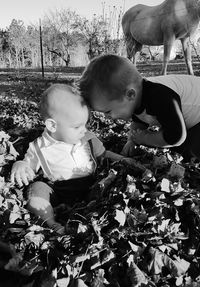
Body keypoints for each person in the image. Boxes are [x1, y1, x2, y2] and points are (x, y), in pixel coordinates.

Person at [11, 84, 129, 235]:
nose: (84, 130)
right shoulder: (40, 147)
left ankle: (96, 217)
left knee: (112, 184)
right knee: (37, 188)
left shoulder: (88, 139)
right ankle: (51, 222)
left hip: (91, 188)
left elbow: (104, 154)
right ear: (52, 125)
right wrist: (20, 164)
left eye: (85, 124)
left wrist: (124, 159)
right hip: (58, 192)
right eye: (77, 127)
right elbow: (28, 165)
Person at [79, 54, 200, 161]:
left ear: (130, 94)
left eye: (108, 112)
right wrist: (132, 140)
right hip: (186, 121)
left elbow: (176, 136)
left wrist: (145, 138)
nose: (108, 117)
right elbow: (139, 119)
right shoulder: (136, 98)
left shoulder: (159, 97)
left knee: (187, 151)